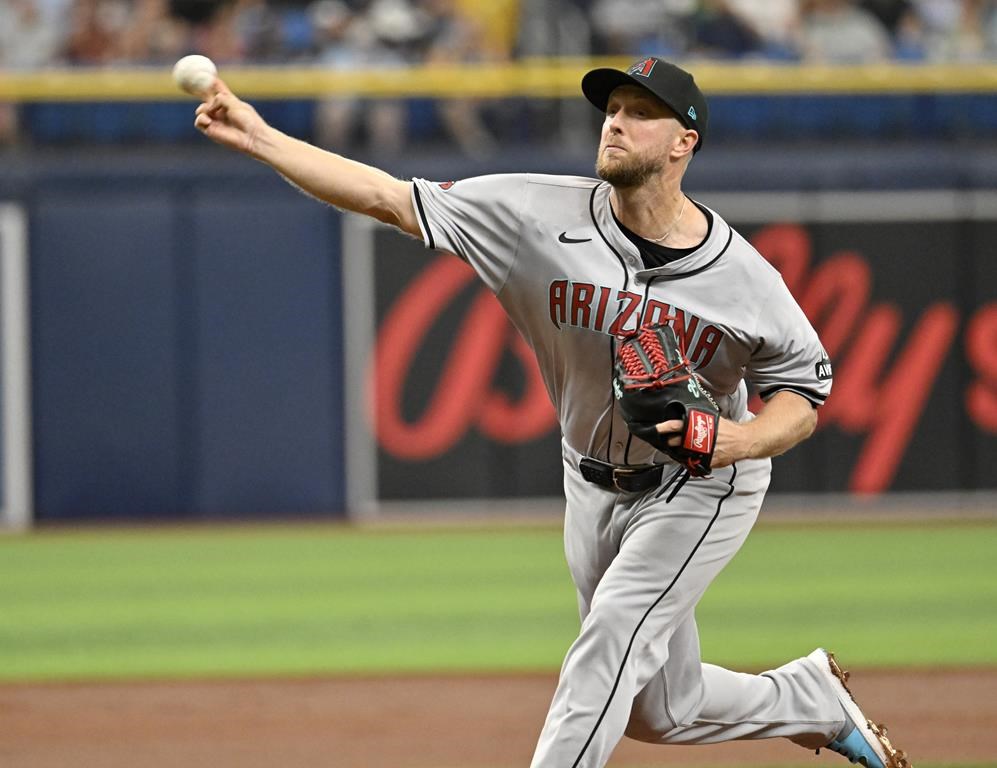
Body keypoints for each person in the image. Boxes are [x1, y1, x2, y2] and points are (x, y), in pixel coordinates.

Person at [192, 55, 911, 768]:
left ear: (683, 142)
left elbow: (803, 395)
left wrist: (738, 439)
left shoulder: (742, 277)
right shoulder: (532, 212)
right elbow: (387, 197)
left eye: (639, 113)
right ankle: (807, 700)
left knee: (608, 642)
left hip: (697, 482)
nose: (616, 123)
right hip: (588, 479)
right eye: (613, 109)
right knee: (659, 711)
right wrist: (260, 135)